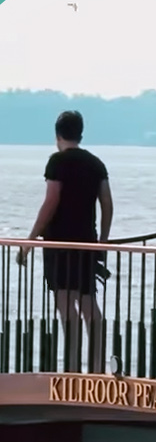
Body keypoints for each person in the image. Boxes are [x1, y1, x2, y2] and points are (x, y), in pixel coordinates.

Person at [17, 111, 112, 373]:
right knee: (89, 305)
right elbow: (107, 204)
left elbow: (51, 202)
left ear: (57, 134)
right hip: (86, 244)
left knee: (65, 305)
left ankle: (71, 368)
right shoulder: (96, 164)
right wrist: (102, 241)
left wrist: (30, 240)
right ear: (80, 133)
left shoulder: (57, 162)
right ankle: (96, 367)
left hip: (58, 244)